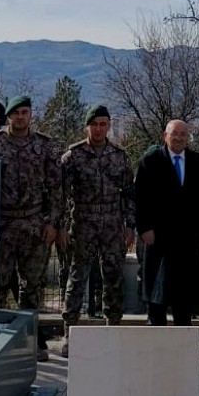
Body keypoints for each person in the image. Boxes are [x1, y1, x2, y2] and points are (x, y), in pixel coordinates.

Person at [0, 94, 61, 362]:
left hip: (34, 224)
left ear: (30, 115)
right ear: (9, 117)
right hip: (3, 223)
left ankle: (34, 340)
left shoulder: (45, 146)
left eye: (25, 112)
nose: (21, 117)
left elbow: (55, 188)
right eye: (16, 113)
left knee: (32, 287)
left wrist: (53, 223)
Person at [58, 105, 135, 357]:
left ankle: (113, 327)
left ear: (108, 126)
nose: (99, 129)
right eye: (95, 124)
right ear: (87, 126)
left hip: (112, 224)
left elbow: (128, 194)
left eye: (104, 124)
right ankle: (69, 331)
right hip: (83, 222)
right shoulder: (73, 156)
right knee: (77, 277)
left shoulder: (119, 155)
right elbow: (61, 194)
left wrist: (129, 225)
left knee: (113, 277)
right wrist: (60, 225)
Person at [135, 120, 199, 333]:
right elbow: (140, 198)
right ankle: (156, 332)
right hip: (158, 236)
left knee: (185, 289)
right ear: (165, 136)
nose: (178, 138)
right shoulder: (150, 161)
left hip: (188, 236)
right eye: (174, 134)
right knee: (157, 288)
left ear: (188, 137)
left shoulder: (198, 162)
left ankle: (185, 335)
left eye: (183, 134)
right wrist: (144, 228)